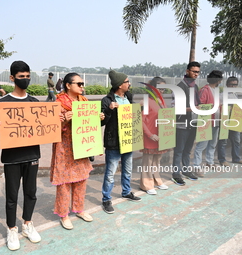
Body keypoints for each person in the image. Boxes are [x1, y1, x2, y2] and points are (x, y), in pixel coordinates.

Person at [0, 61, 41, 251]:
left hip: (32, 155)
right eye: (21, 77)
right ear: (12, 78)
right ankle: (12, 229)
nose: (25, 79)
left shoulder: (34, 102)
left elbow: (44, 128)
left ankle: (27, 223)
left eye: (28, 76)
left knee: (31, 193)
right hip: (12, 157)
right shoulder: (2, 103)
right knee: (11, 196)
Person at [50, 73, 104, 229]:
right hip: (64, 147)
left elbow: (90, 126)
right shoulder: (58, 103)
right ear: (68, 85)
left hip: (81, 146)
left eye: (82, 84)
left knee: (81, 179)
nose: (82, 87)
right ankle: (64, 214)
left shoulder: (84, 102)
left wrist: (98, 117)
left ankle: (79, 209)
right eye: (78, 84)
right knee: (64, 182)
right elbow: (51, 129)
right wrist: (65, 119)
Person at [101, 70, 141, 214]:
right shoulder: (107, 100)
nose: (129, 84)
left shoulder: (129, 97)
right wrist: (109, 110)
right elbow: (102, 122)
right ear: (119, 85)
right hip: (113, 142)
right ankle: (106, 199)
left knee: (128, 170)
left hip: (128, 140)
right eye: (127, 82)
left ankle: (126, 191)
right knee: (110, 173)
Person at [171, 61, 201, 186]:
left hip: (193, 123)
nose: (196, 74)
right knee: (179, 150)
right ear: (187, 71)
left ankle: (186, 170)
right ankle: (176, 174)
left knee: (188, 150)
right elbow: (174, 108)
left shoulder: (195, 87)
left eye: (198, 72)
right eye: (194, 71)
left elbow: (198, 104)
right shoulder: (179, 88)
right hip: (181, 124)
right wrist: (191, 108)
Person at [140, 77, 169, 195]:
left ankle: (157, 181)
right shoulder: (146, 101)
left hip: (160, 137)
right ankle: (146, 184)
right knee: (148, 161)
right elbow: (141, 120)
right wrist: (150, 134)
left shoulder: (161, 102)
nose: (161, 90)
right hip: (150, 137)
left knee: (157, 161)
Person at [193, 70, 223, 175]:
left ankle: (209, 162)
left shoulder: (217, 90)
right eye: (220, 78)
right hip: (207, 121)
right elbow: (200, 105)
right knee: (202, 145)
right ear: (217, 79)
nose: (221, 80)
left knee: (213, 143)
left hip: (216, 120)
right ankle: (196, 166)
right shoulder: (205, 90)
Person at [217, 77, 242, 167]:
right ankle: (222, 160)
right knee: (223, 141)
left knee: (236, 141)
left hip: (235, 122)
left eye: (235, 85)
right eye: (231, 84)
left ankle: (236, 158)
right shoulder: (221, 96)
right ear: (227, 85)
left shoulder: (237, 95)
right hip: (224, 121)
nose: (233, 86)